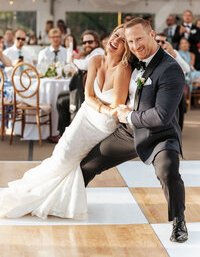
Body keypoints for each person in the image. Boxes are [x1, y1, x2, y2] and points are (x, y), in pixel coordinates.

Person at [0, 24, 132, 221]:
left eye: (122, 40)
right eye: (115, 35)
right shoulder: (96, 60)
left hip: (101, 124)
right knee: (60, 156)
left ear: (127, 47)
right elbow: (88, 96)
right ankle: (29, 194)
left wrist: (98, 105)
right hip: (85, 115)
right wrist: (101, 106)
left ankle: (50, 200)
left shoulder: (124, 68)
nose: (115, 41)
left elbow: (117, 105)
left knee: (68, 161)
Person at [80, 17, 188, 243]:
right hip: (128, 133)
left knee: (167, 172)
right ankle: (72, 204)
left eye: (139, 38)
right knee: (86, 166)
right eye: (130, 41)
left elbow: (161, 115)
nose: (135, 45)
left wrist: (128, 115)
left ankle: (179, 221)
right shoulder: (131, 61)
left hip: (159, 135)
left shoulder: (171, 69)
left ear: (152, 34)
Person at [53, 30, 104, 143]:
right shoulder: (91, 54)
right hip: (84, 91)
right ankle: (64, 133)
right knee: (61, 97)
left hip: (93, 95)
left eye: (89, 42)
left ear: (96, 42)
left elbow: (85, 65)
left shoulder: (98, 52)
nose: (86, 45)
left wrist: (74, 59)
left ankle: (64, 134)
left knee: (62, 101)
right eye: (84, 42)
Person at [155, 33, 190, 130]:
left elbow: (186, 68)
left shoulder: (173, 52)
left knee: (179, 109)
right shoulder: (151, 52)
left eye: (163, 42)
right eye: (158, 41)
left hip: (174, 85)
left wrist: (173, 54)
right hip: (158, 86)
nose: (160, 44)